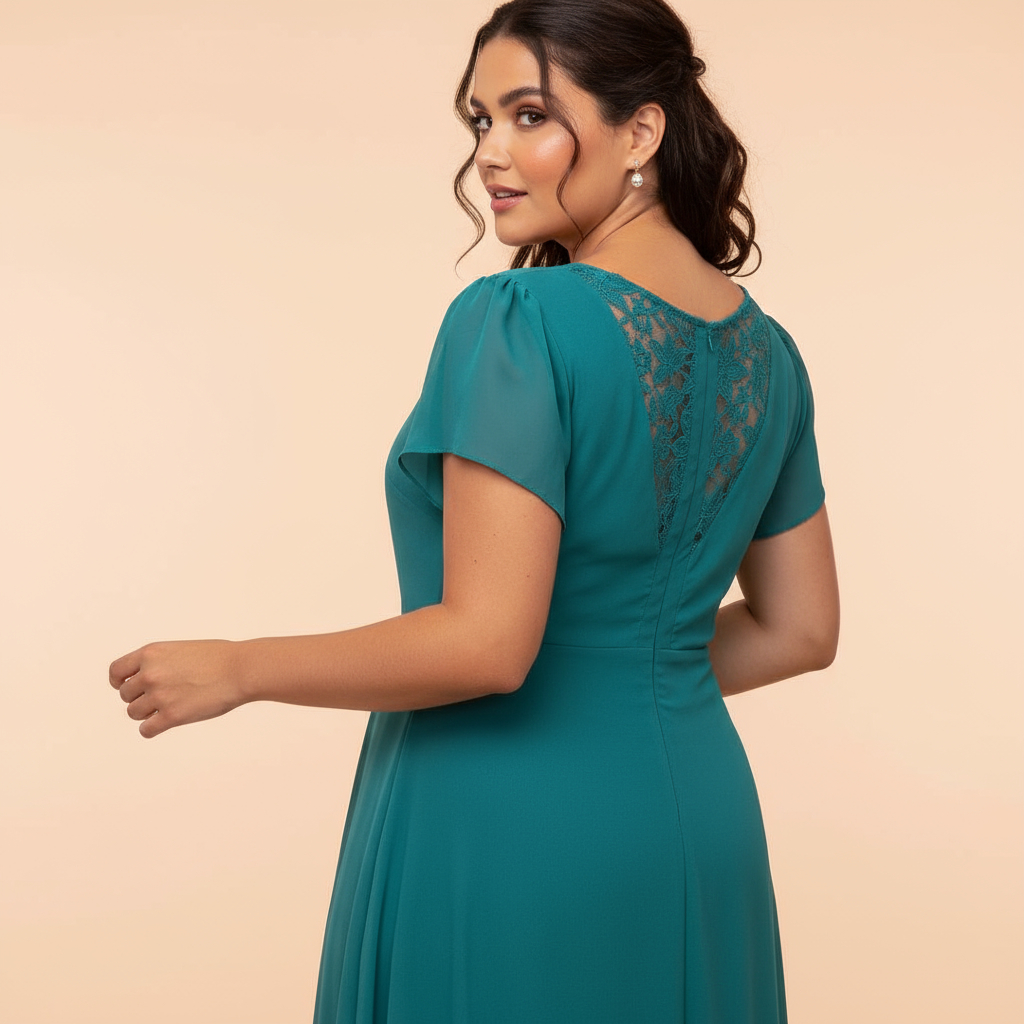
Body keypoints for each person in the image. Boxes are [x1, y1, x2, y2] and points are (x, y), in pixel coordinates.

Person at [109, 0, 840, 1020]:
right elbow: (799, 630)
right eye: (480, 120)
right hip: (695, 818)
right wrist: (627, 678)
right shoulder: (770, 354)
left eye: (529, 115)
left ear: (641, 130)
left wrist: (239, 668)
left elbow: (486, 645)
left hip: (505, 827)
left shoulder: (518, 316)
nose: (491, 151)